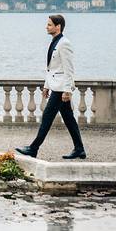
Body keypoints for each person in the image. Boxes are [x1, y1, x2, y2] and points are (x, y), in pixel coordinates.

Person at [15, 14, 86, 160]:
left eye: (49, 25)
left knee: (47, 117)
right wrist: (46, 86)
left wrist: (68, 90)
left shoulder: (64, 43)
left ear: (58, 26)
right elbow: (52, 68)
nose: (46, 27)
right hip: (55, 87)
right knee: (69, 119)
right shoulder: (55, 42)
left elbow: (69, 69)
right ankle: (79, 149)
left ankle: (33, 148)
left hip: (61, 89)